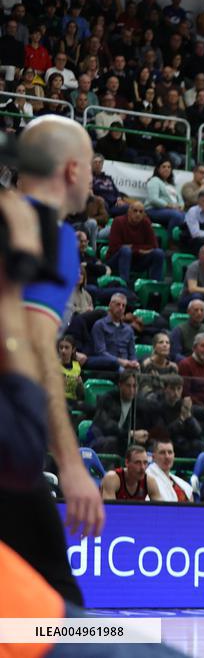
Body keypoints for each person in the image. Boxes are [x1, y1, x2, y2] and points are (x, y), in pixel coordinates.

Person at [6, 118, 104, 607]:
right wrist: (69, 463)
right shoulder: (50, 232)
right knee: (62, 607)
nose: (92, 180)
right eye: (89, 167)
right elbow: (37, 347)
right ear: (71, 169)